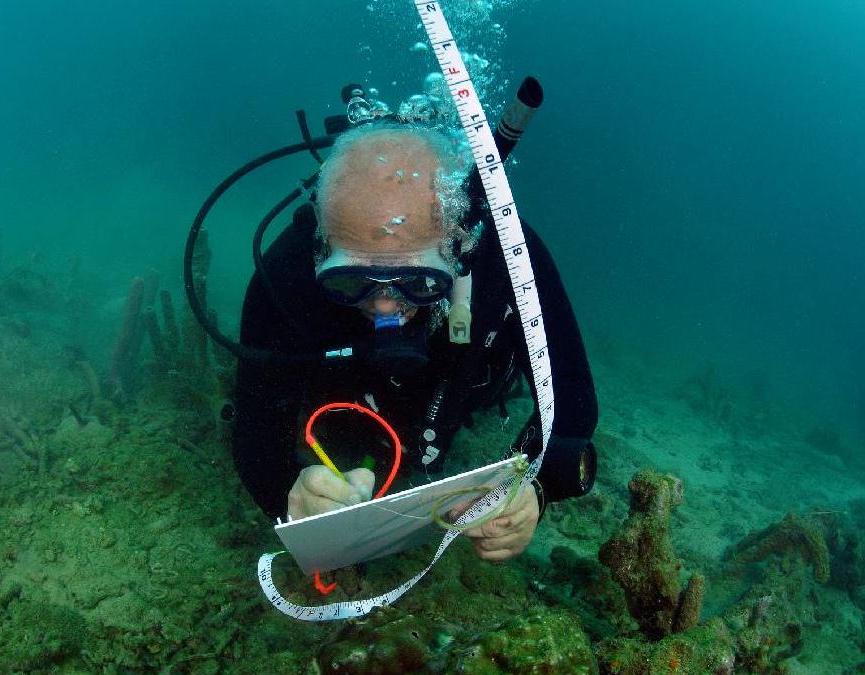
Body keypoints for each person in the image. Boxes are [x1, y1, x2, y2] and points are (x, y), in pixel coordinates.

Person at [232, 122, 598, 562]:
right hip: (340, 395)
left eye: (418, 280)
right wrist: (288, 495)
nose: (386, 308)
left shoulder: (507, 252)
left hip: (462, 380)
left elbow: (572, 396)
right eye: (352, 281)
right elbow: (253, 427)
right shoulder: (287, 271)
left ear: (456, 249)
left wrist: (533, 487)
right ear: (322, 247)